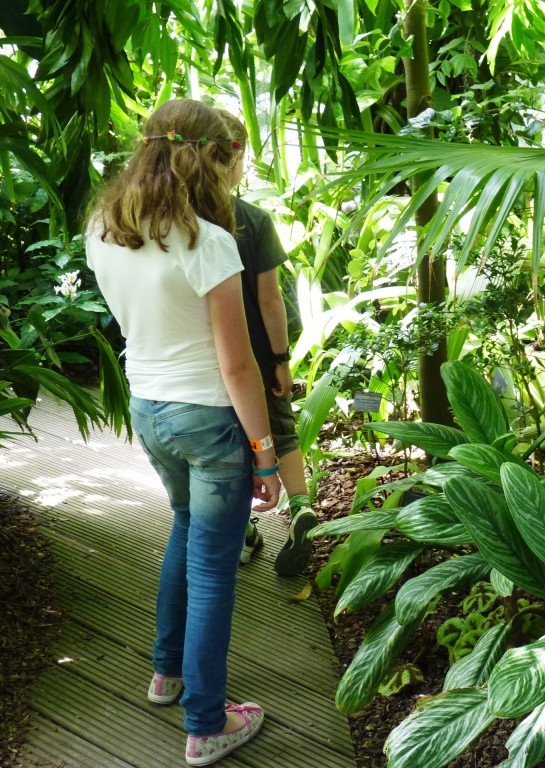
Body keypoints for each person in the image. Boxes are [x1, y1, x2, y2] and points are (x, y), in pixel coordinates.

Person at [85, 99, 279, 767]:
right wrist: (266, 453)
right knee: (213, 570)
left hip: (150, 410)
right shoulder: (208, 242)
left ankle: (166, 675)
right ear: (210, 159)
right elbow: (236, 363)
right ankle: (205, 722)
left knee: (184, 526)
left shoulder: (103, 230)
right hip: (208, 419)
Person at [215, 109, 317, 577]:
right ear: (235, 160)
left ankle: (240, 533)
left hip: (207, 357)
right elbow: (270, 298)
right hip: (254, 353)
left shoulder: (182, 220)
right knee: (280, 425)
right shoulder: (252, 220)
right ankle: (300, 509)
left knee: (231, 438)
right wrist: (280, 359)